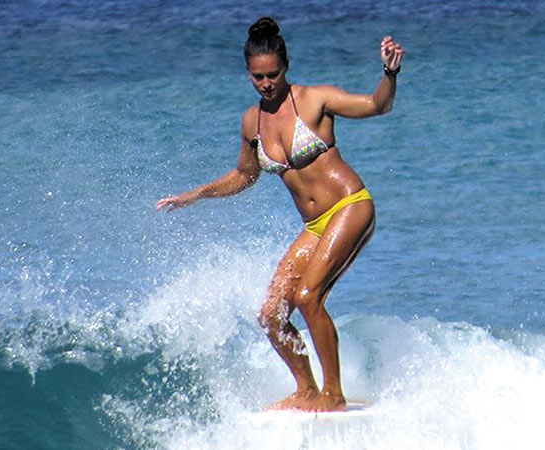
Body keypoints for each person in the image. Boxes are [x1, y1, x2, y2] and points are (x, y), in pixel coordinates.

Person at [156, 17, 403, 412]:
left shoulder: (314, 100)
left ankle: (332, 393)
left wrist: (389, 71)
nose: (266, 83)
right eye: (258, 77)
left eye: (273, 74)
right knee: (271, 314)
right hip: (315, 226)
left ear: (286, 67)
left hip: (350, 206)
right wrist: (197, 195)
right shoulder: (251, 123)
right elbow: (244, 175)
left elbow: (378, 105)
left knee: (308, 296)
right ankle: (306, 388)